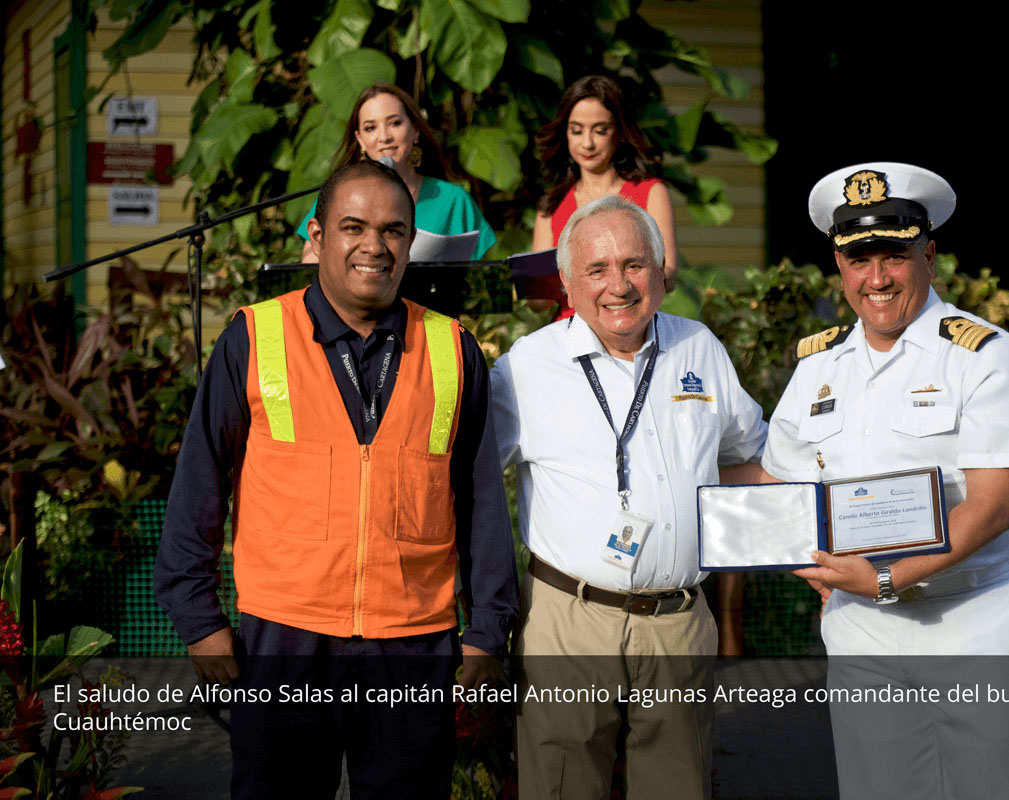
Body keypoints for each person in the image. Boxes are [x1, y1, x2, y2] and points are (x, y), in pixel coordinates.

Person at [155, 159, 518, 799]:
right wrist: (201, 622)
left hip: (413, 645)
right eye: (353, 227)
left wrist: (486, 632)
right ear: (318, 237)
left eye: (392, 231)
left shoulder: (453, 350)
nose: (374, 246)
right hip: (283, 639)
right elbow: (198, 490)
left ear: (411, 241)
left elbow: (481, 503)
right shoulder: (254, 337)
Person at [761, 162, 1009, 798]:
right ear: (839, 266)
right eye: (858, 259)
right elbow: (780, 484)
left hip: (975, 621)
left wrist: (888, 578)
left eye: (894, 255)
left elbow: (995, 506)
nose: (877, 278)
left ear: (930, 255)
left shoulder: (984, 354)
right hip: (861, 627)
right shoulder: (818, 366)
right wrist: (816, 569)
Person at [490, 195, 767, 800]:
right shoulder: (526, 368)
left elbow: (749, 458)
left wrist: (818, 539)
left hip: (677, 621)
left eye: (635, 265)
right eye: (597, 269)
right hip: (567, 620)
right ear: (566, 282)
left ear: (662, 269)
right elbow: (474, 483)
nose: (618, 285)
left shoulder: (699, 347)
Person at [296, 84, 496, 261]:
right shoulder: (336, 196)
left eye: (395, 123)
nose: (384, 137)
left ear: (415, 130)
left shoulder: (452, 200)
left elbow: (484, 278)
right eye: (370, 127)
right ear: (360, 140)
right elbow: (311, 268)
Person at [532, 75, 678, 304]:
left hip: (632, 325)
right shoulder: (551, 205)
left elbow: (668, 274)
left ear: (619, 133)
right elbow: (538, 303)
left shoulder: (650, 193)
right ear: (565, 134)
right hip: (568, 331)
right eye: (576, 131)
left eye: (600, 131)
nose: (587, 143)